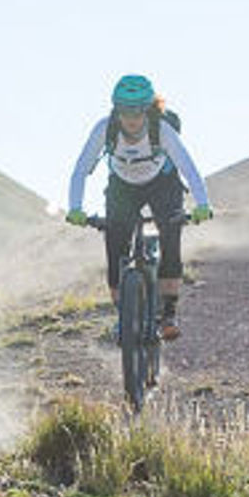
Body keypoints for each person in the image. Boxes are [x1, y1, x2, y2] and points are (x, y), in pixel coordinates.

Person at [63, 74, 213, 337]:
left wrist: (202, 204)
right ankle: (124, 315)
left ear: (149, 109)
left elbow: (188, 168)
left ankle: (168, 314)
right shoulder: (104, 128)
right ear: (116, 109)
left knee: (171, 233)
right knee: (114, 244)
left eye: (137, 110)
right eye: (124, 110)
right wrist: (75, 208)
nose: (131, 118)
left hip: (162, 183)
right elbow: (80, 169)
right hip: (123, 187)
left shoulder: (162, 130)